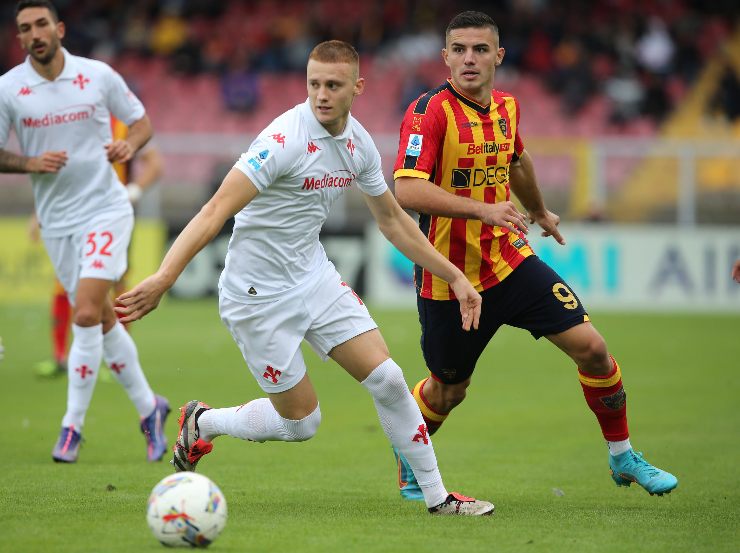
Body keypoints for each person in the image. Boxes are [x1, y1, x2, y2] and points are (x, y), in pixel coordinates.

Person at [117, 40, 493, 516]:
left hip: (313, 276)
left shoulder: (357, 144)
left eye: (333, 85)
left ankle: (439, 499)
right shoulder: (283, 141)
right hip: (256, 296)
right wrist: (163, 278)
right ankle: (204, 422)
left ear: (357, 87)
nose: (321, 94)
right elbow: (215, 210)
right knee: (302, 423)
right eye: (314, 83)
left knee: (390, 380)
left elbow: (394, 221)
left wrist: (455, 276)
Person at [390, 11, 678, 501]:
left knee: (593, 348)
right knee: (447, 391)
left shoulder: (507, 107)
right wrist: (484, 210)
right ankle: (411, 455)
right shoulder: (429, 112)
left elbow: (516, 159)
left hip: (510, 261)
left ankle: (622, 454)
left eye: (480, 49)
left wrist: (540, 210)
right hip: (449, 276)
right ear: (444, 57)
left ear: (498, 56)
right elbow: (406, 190)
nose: (469, 59)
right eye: (458, 49)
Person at [0, 0, 170, 463]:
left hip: (105, 209)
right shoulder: (9, 89)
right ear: (18, 38)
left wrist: (127, 144)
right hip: (57, 220)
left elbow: (142, 124)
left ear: (59, 28)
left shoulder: (97, 75)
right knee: (102, 318)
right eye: (23, 28)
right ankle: (149, 409)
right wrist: (29, 163)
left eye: (40, 24)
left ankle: (71, 427)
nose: (34, 33)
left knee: (87, 312)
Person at [31, 117, 163, 377]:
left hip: (113, 216)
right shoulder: (74, 121)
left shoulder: (126, 123)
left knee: (115, 280)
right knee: (65, 279)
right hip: (75, 213)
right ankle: (60, 358)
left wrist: (135, 189)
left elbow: (155, 164)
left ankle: (116, 362)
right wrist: (39, 212)